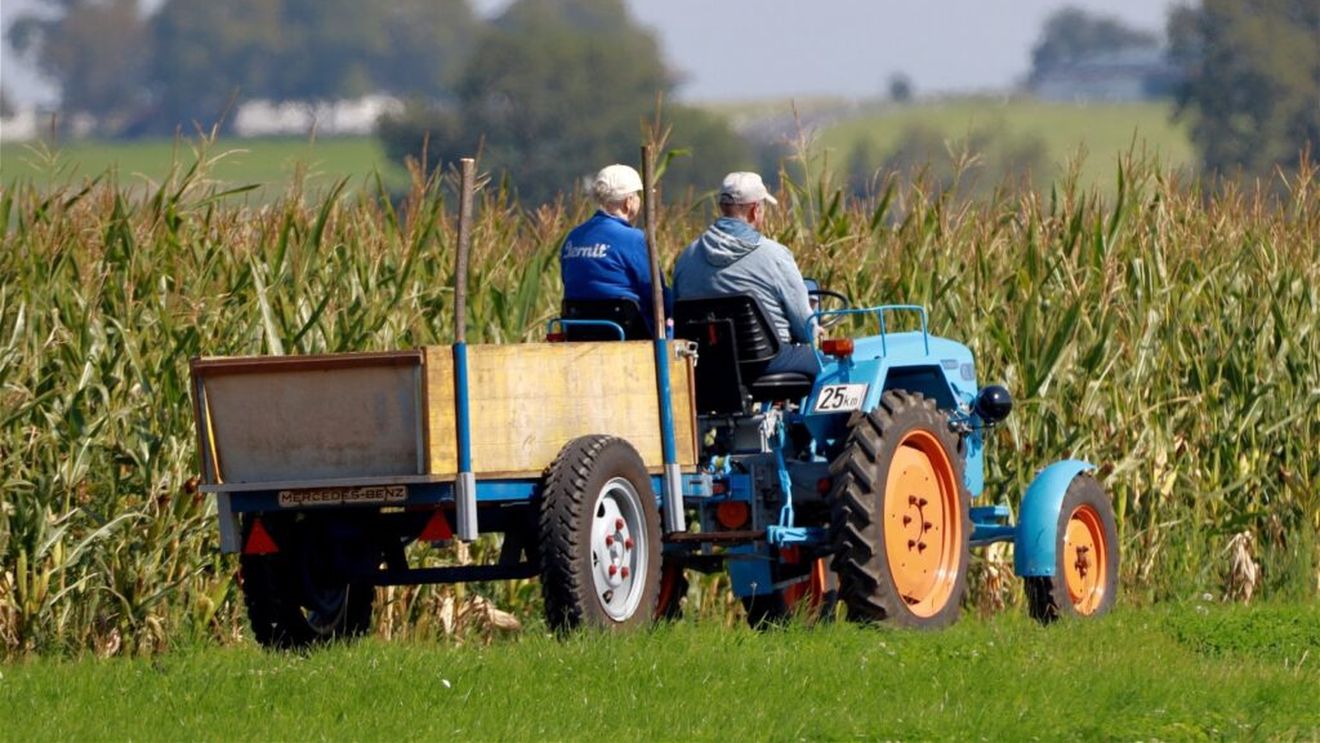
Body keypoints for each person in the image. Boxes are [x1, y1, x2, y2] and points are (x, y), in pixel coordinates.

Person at [673, 171, 817, 375]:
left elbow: (676, 314)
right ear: (755, 210)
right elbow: (805, 330)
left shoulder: (687, 256)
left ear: (722, 207)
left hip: (708, 366)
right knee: (831, 368)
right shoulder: (775, 255)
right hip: (767, 362)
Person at [559, 163, 669, 337]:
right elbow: (656, 295)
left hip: (577, 332)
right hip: (625, 333)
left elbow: (568, 281)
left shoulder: (573, 237)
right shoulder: (634, 239)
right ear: (628, 202)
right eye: (637, 195)